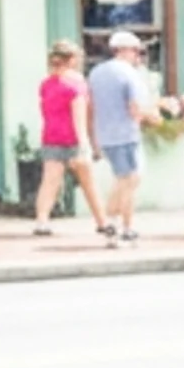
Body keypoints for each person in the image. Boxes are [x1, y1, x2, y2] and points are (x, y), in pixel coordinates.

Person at [85, 30, 152, 245]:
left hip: (105, 135)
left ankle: (116, 223)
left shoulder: (96, 73)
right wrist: (154, 114)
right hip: (126, 134)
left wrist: (93, 138)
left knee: (124, 179)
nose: (138, 56)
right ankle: (120, 225)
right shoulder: (129, 74)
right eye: (136, 51)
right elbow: (134, 108)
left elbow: (91, 108)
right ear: (125, 51)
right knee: (129, 180)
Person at [33, 40, 103, 239]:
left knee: (49, 182)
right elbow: (78, 116)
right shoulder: (76, 86)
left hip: (51, 136)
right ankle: (102, 221)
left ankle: (42, 221)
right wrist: (85, 144)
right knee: (88, 183)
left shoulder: (46, 85)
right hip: (72, 139)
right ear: (72, 60)